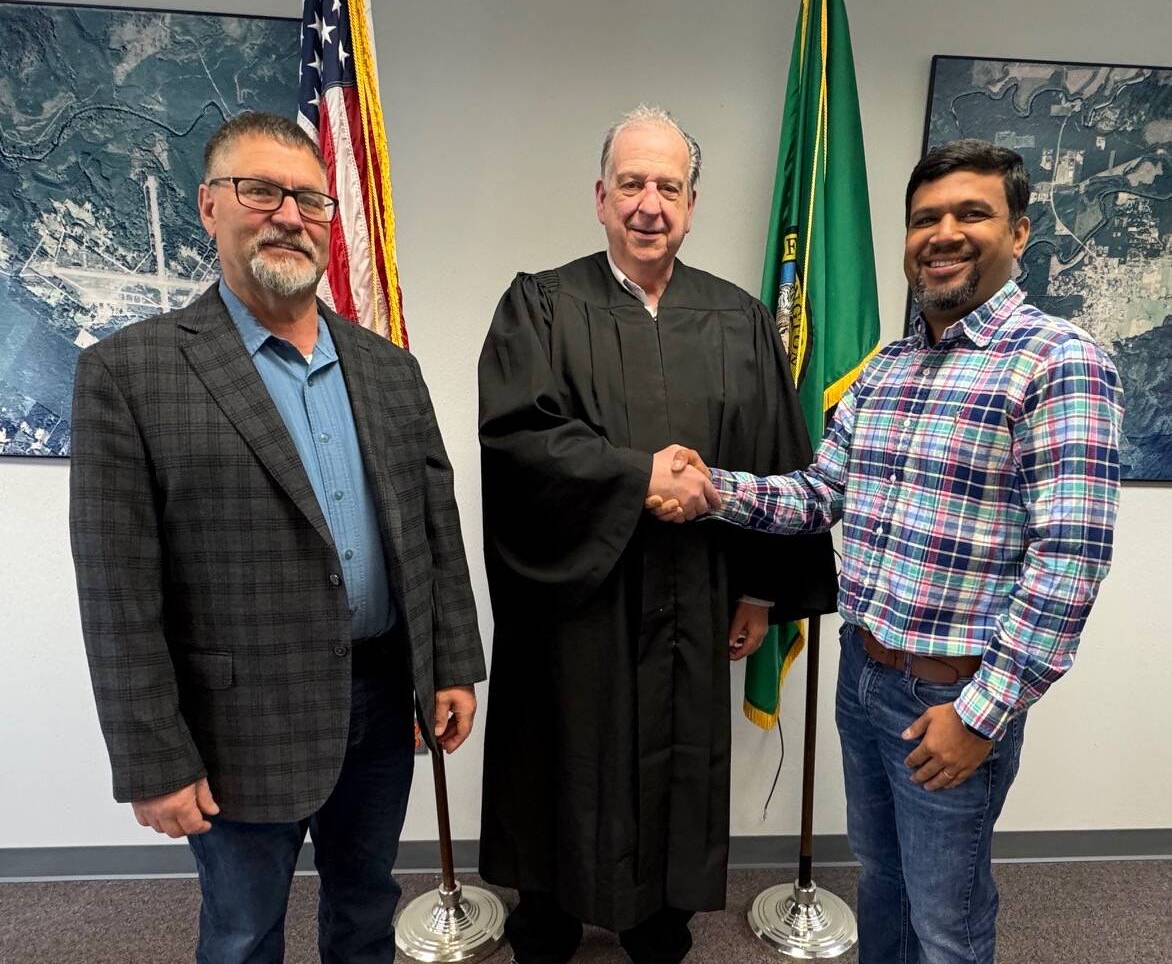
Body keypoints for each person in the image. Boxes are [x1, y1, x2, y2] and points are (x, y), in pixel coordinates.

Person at [650, 139, 1123, 964]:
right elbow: (817, 493)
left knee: (947, 922)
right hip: (864, 679)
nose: (943, 233)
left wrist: (981, 715)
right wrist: (713, 487)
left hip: (953, 696)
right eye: (924, 218)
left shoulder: (1059, 362)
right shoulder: (887, 370)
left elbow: (1068, 567)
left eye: (971, 213)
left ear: (1019, 231)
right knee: (883, 886)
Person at [69, 111, 486, 964]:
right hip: (237, 721)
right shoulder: (128, 373)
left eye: (309, 199)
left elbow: (433, 528)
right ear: (209, 205)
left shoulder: (388, 369)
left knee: (365, 910)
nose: (289, 216)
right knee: (242, 934)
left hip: (380, 699)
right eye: (260, 191)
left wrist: (450, 663)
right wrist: (152, 756)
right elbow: (117, 592)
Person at [476, 105, 837, 964]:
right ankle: (548, 921)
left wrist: (759, 590)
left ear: (691, 204)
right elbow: (520, 440)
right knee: (563, 758)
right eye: (631, 183)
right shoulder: (541, 305)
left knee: (676, 762)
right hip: (576, 604)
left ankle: (657, 924)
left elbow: (776, 456)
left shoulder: (739, 318)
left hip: (694, 592)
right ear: (601, 197)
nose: (650, 204)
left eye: (668, 187)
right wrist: (640, 476)